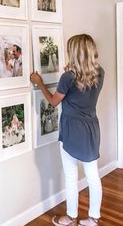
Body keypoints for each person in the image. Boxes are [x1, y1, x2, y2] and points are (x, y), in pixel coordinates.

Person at [30, 34, 104, 226]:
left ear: (75, 52)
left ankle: (71, 218)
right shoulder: (100, 72)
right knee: (92, 175)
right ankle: (93, 218)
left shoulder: (68, 77)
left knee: (71, 175)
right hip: (91, 128)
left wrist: (40, 83)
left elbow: (54, 102)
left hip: (71, 129)